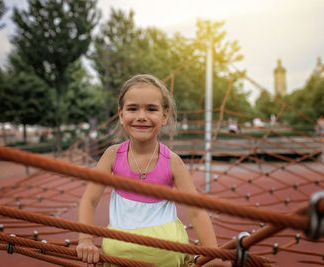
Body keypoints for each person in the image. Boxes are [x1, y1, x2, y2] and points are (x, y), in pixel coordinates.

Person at [76, 74, 225, 267]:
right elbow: (89, 199)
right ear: (121, 115)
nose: (141, 116)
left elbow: (196, 211)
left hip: (167, 253)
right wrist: (85, 239)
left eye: (151, 109)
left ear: (164, 116)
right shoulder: (113, 155)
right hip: (120, 252)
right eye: (133, 108)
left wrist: (213, 254)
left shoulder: (172, 161)